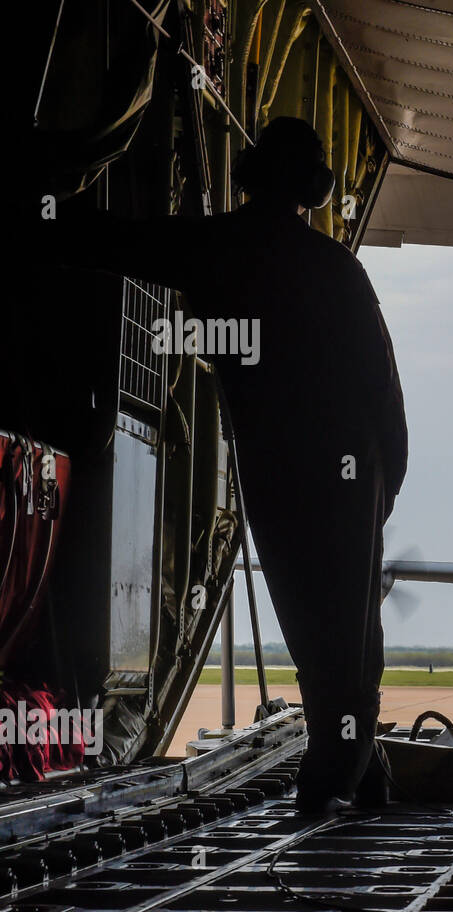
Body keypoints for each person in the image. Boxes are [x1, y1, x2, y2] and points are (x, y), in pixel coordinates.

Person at [38, 117, 408, 813]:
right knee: (349, 639)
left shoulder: (219, 249)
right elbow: (385, 396)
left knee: (308, 625)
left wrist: (42, 209)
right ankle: (351, 768)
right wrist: (378, 491)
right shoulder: (340, 272)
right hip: (347, 473)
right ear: (310, 190)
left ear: (253, 176)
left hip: (275, 471)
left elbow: (117, 241)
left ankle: (345, 769)